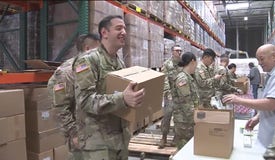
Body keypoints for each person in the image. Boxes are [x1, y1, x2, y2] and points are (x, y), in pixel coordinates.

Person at [71, 15, 145, 160]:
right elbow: (85, 101)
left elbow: (122, 98)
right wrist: (122, 98)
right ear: (104, 33)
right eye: (118, 28)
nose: (124, 32)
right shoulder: (88, 60)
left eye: (125, 28)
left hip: (119, 139)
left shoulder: (119, 63)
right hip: (98, 143)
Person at [223, 44, 275, 149]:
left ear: (274, 56)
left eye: (262, 59)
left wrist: (239, 100)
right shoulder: (274, 74)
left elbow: (272, 103)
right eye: (258, 60)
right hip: (271, 136)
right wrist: (258, 117)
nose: (260, 63)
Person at [47, 33, 100, 153]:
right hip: (79, 134)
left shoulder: (93, 68)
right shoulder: (65, 73)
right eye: (98, 50)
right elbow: (60, 108)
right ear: (87, 48)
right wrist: (74, 134)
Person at [172, 52, 199, 150]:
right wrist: (197, 119)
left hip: (188, 120)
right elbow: (186, 103)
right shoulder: (183, 78)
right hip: (184, 122)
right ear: (192, 61)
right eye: (196, 63)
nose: (196, 66)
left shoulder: (188, 77)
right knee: (184, 148)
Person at [158, 44, 183, 149]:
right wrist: (167, 93)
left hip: (181, 95)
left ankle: (176, 137)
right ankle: (163, 137)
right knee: (167, 116)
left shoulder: (183, 64)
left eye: (180, 51)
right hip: (170, 95)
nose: (179, 52)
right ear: (172, 52)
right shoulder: (167, 64)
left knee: (179, 117)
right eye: (177, 51)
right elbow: (164, 79)